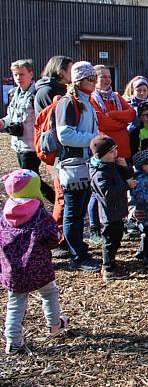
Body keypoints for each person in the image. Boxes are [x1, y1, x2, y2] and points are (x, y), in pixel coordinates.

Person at [0, 170, 69, 355]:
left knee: (15, 302)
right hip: (38, 267)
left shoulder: (5, 214)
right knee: (49, 293)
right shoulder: (40, 214)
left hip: (12, 269)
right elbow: (53, 238)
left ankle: (13, 341)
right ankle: (55, 324)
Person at [55, 61, 100, 273]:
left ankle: (80, 250)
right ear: (79, 80)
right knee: (73, 212)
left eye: (94, 78)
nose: (94, 82)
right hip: (72, 165)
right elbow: (65, 135)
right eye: (90, 78)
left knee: (79, 210)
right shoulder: (68, 102)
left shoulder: (86, 102)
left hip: (83, 163)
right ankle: (77, 256)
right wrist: (95, 139)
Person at [88, 65, 135, 243]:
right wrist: (119, 123)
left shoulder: (116, 97)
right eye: (102, 77)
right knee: (99, 193)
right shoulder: (93, 99)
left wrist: (114, 114)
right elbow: (102, 122)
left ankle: (119, 222)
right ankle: (95, 227)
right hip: (105, 155)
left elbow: (131, 114)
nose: (107, 80)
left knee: (121, 188)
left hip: (122, 151)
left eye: (108, 76)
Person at [1, 60, 55, 202]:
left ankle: (54, 202)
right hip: (18, 144)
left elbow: (44, 118)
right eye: (16, 75)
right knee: (32, 178)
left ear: (31, 74)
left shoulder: (37, 94)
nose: (18, 78)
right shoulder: (14, 93)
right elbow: (11, 116)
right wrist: (3, 122)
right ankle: (50, 205)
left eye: (22, 74)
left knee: (29, 179)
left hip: (31, 145)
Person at [34, 55, 72, 250]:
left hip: (63, 151)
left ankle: (64, 236)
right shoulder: (47, 91)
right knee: (62, 195)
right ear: (60, 70)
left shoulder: (59, 89)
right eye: (70, 69)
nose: (72, 73)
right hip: (56, 151)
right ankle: (56, 239)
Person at [88, 135, 136, 281]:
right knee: (110, 240)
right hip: (108, 213)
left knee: (116, 238)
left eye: (115, 149)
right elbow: (108, 193)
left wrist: (125, 168)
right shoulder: (100, 173)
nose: (115, 153)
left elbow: (127, 176)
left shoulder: (112, 165)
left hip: (117, 210)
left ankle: (112, 263)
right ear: (101, 155)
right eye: (111, 151)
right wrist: (127, 185)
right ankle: (108, 268)